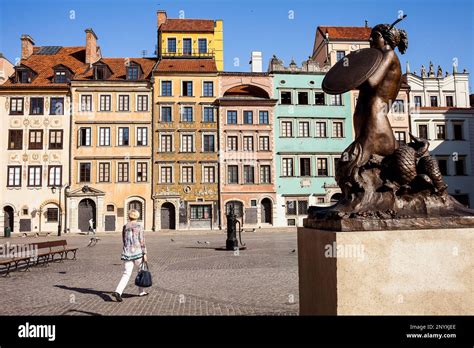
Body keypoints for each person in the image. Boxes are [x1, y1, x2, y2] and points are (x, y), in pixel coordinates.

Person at [112, 209, 148, 302]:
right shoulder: (139, 226)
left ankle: (118, 291)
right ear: (137, 216)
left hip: (127, 253)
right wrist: (144, 253)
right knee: (141, 272)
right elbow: (142, 240)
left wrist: (127, 248)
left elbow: (123, 239)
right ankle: (141, 291)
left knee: (126, 273)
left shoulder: (125, 226)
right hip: (138, 252)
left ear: (129, 216)